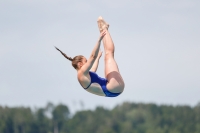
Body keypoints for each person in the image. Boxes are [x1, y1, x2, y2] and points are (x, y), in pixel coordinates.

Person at [55, 16, 125, 97]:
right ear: (80, 64)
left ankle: (103, 29)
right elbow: (92, 57)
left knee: (107, 55)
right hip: (113, 87)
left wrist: (98, 58)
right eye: (85, 61)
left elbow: (93, 69)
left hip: (112, 90)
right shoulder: (81, 73)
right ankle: (104, 28)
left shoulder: (84, 75)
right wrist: (99, 40)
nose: (88, 62)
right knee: (109, 54)